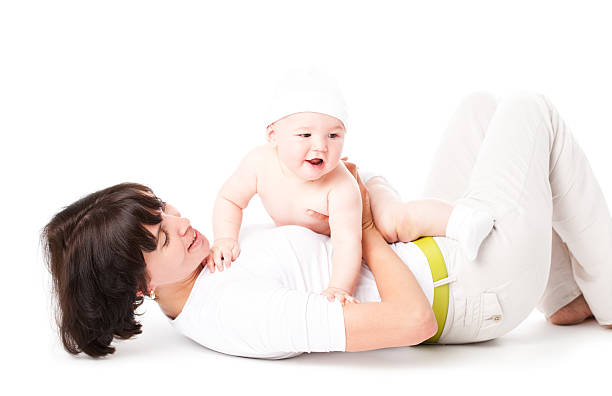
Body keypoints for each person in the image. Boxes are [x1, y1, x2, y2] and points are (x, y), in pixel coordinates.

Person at [42, 92, 611, 359]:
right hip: (465, 290)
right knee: (531, 112)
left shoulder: (211, 261)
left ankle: (562, 295)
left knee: (481, 113)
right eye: (163, 237)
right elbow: (409, 322)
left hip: (430, 248)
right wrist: (360, 223)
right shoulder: (235, 311)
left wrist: (352, 199)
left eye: (164, 209)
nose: (183, 222)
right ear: (141, 286)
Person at [210, 69, 364, 303]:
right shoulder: (259, 163)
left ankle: (438, 220)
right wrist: (225, 238)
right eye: (305, 135)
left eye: (333, 136)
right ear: (273, 136)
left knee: (394, 221)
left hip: (367, 197)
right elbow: (230, 199)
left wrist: (339, 287)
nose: (321, 146)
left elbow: (347, 242)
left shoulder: (341, 186)